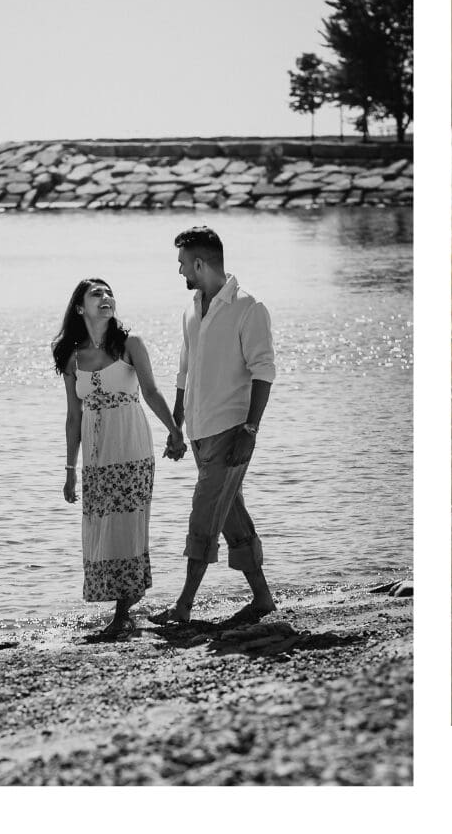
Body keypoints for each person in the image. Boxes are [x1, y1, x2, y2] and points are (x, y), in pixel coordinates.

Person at [148, 226, 278, 628]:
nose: (181, 271)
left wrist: (250, 431)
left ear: (200, 263)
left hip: (232, 434)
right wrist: (175, 426)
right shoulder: (191, 309)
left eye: (183, 264)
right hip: (200, 436)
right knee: (229, 515)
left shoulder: (248, 308)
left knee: (203, 515)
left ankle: (183, 606)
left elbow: (264, 372)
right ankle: (262, 599)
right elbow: (185, 371)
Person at [53, 278, 184, 641]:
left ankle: (124, 613)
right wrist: (69, 471)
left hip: (131, 446)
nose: (106, 298)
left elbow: (153, 392)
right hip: (95, 455)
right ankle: (125, 603)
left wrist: (175, 432)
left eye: (109, 293)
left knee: (128, 523)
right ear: (80, 308)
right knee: (102, 527)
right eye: (97, 294)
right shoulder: (72, 357)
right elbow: (73, 417)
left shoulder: (130, 344)